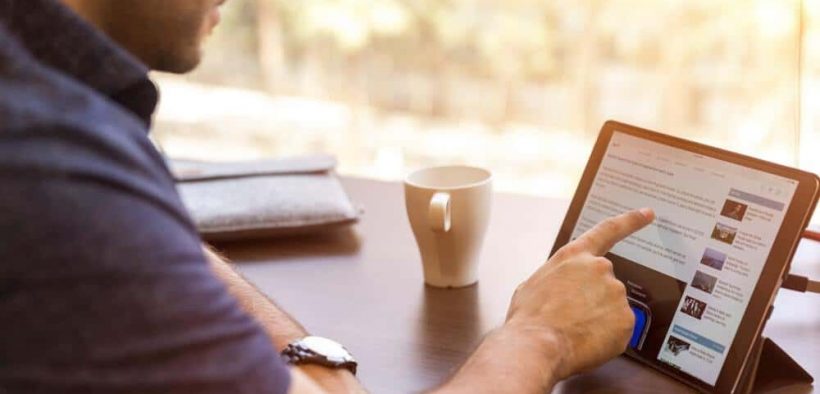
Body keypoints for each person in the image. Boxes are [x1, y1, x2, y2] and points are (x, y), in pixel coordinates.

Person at [0, 0, 655, 392]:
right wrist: (539, 337)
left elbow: (131, 236)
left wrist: (315, 367)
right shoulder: (44, 164)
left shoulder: (51, 118)